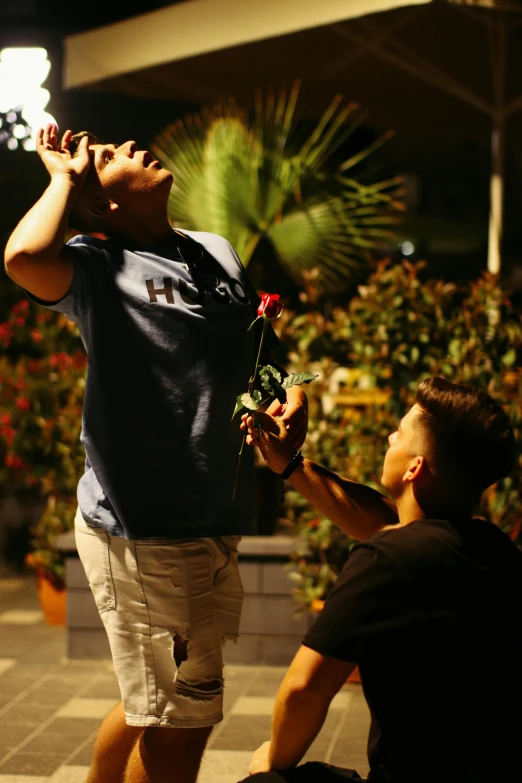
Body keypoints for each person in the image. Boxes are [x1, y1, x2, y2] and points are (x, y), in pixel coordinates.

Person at [3, 123, 309, 783]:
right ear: (98, 207)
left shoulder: (214, 251)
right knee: (182, 718)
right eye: (107, 158)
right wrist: (63, 178)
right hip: (145, 529)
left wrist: (278, 397)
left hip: (213, 513)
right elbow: (25, 257)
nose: (127, 147)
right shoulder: (95, 264)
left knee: (157, 703)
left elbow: (242, 357)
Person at [241, 376, 522, 783]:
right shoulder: (494, 549)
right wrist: (291, 465)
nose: (391, 436)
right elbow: (385, 520)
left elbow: (305, 690)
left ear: (415, 467)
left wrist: (273, 762)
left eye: (399, 433)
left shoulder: (386, 560)